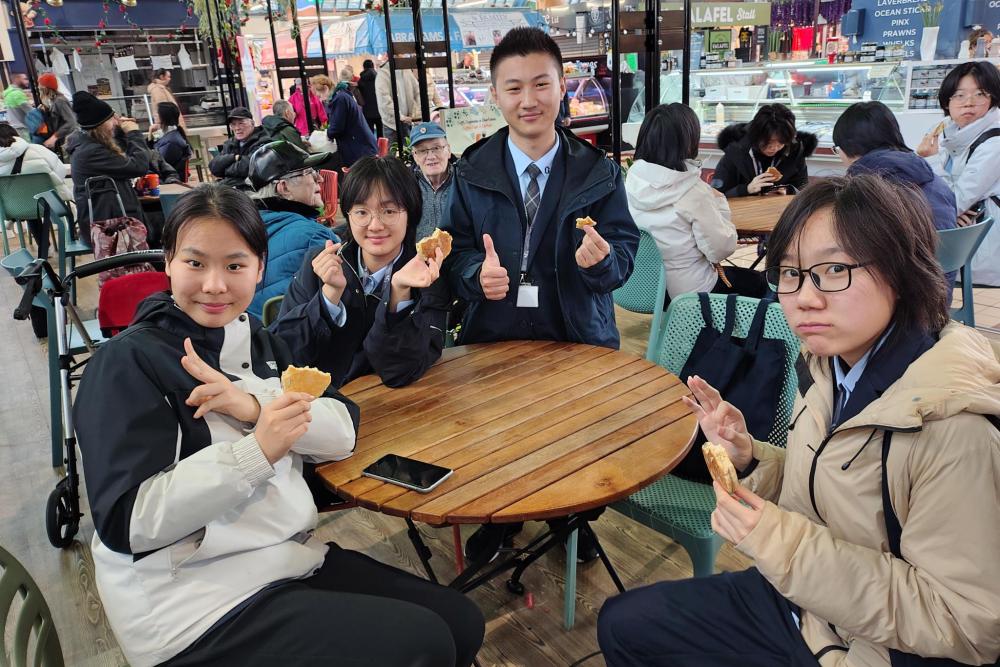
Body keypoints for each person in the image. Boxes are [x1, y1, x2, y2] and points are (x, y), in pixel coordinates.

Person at [72, 183, 485, 667]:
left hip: (284, 557)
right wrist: (257, 451)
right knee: (423, 641)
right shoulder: (127, 362)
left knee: (461, 621)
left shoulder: (259, 343)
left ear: (260, 268)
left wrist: (251, 407)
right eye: (195, 263)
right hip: (189, 603)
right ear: (167, 263)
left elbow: (342, 430)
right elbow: (128, 523)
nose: (214, 285)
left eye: (235, 265)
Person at [597, 174, 1000, 667]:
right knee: (622, 623)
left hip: (874, 645)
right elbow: (839, 487)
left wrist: (775, 540)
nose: (804, 298)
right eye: (790, 274)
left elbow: (966, 623)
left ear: (902, 270)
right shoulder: (832, 366)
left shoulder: (957, 429)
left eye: (833, 269)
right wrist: (750, 457)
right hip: (808, 601)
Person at [440, 27, 639, 564]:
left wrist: (602, 263)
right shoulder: (470, 172)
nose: (528, 100)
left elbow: (622, 252)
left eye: (540, 84)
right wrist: (473, 275)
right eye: (513, 88)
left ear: (561, 86)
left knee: (575, 438)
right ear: (495, 94)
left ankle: (572, 516)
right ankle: (504, 517)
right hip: (494, 335)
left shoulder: (599, 170)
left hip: (575, 333)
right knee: (498, 437)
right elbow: (451, 250)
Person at [271, 155, 450, 389]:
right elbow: (284, 356)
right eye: (362, 212)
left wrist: (398, 297)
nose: (375, 225)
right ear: (348, 215)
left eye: (389, 211)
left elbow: (400, 372)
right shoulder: (318, 265)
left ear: (411, 214)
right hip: (321, 410)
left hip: (390, 409)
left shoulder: (429, 275)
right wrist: (328, 299)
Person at [626, 103, 765, 303]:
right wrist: (720, 204)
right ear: (689, 142)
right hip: (688, 293)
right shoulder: (694, 192)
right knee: (758, 283)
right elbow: (721, 249)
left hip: (637, 288)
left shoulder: (630, 181)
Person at [833, 101, 958, 300]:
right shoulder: (933, 178)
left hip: (899, 304)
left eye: (836, 148)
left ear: (848, 146)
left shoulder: (867, 187)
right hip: (939, 298)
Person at [917, 61, 1000, 286]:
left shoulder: (995, 143)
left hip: (978, 247)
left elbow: (956, 200)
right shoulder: (948, 131)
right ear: (947, 101)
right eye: (959, 95)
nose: (968, 103)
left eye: (980, 94)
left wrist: (931, 160)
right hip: (956, 234)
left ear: (993, 98)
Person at [247, 140, 339, 319]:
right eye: (309, 173)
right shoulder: (316, 236)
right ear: (284, 188)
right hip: (295, 336)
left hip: (250, 333)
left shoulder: (244, 225)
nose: (319, 178)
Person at [65, 92, 149, 246]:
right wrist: (134, 133)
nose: (116, 122)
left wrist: (121, 132)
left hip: (106, 216)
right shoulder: (91, 152)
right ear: (101, 125)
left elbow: (123, 156)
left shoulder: (88, 144)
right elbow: (139, 166)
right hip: (107, 227)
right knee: (159, 224)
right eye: (112, 119)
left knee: (155, 221)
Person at [712, 103, 816, 197]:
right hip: (740, 214)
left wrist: (789, 190)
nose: (774, 148)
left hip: (778, 212)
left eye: (781, 142)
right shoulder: (736, 150)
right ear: (756, 136)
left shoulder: (795, 150)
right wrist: (746, 189)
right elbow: (715, 194)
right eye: (769, 142)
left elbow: (803, 190)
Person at [0, 121, 72, 256]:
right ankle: (70, 241)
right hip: (49, 204)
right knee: (37, 201)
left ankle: (43, 247)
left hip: (14, 209)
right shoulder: (36, 149)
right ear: (15, 136)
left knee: (28, 208)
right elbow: (60, 171)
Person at [312, 72, 377, 169]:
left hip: (359, 149)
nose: (320, 99)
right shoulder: (342, 95)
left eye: (319, 95)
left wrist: (328, 134)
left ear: (325, 88)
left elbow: (337, 127)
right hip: (361, 146)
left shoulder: (339, 99)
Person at [410, 122, 455, 239]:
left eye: (436, 148)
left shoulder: (463, 183)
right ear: (415, 156)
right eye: (422, 151)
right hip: (418, 256)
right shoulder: (406, 185)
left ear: (448, 150)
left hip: (459, 255)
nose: (430, 156)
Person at [208, 107, 269, 189]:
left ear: (252, 123)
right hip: (230, 187)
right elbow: (214, 167)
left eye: (241, 123)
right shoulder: (230, 143)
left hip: (253, 189)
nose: (237, 128)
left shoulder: (263, 141)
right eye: (233, 124)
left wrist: (224, 169)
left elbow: (247, 168)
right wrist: (233, 157)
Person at [375, 60, 421, 145]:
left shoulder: (406, 71)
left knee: (409, 151)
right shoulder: (383, 73)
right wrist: (400, 116)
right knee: (393, 154)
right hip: (391, 123)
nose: (402, 56)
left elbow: (417, 91)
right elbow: (384, 101)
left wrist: (418, 111)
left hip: (408, 120)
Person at [37, 72, 77, 155]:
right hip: (62, 141)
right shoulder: (52, 101)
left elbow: (71, 122)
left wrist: (54, 137)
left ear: (46, 88)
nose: (38, 87)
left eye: (40, 85)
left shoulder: (60, 101)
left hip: (67, 141)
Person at [153, 101, 192, 178]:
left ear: (164, 116)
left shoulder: (172, 141)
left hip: (169, 179)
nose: (154, 115)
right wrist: (151, 134)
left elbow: (160, 164)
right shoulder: (169, 135)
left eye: (157, 113)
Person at [3, 73, 33, 141]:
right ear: (17, 79)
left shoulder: (8, 93)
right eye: (25, 79)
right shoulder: (17, 94)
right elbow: (31, 112)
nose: (27, 81)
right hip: (23, 128)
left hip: (16, 128)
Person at [359, 58, 381, 137]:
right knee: (381, 134)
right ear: (373, 66)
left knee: (369, 134)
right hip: (379, 110)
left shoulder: (361, 80)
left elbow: (359, 97)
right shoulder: (379, 78)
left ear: (364, 67)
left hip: (367, 111)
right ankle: (381, 148)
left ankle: (372, 148)